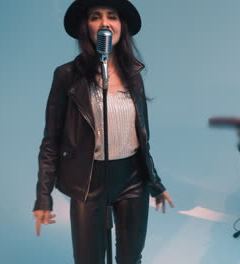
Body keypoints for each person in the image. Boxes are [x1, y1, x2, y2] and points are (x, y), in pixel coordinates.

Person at [32, 0, 174, 263]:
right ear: (85, 26)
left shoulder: (134, 75)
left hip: (132, 178)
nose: (105, 23)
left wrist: (155, 184)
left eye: (113, 17)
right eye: (96, 17)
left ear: (122, 27)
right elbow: (51, 141)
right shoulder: (67, 76)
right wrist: (43, 196)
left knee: (131, 258)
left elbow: (143, 138)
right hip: (89, 182)